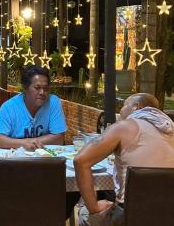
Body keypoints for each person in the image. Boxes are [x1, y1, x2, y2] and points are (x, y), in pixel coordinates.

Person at [74, 93, 174, 226]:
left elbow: (80, 160)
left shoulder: (124, 126)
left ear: (136, 107)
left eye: (123, 105)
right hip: (168, 215)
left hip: (131, 215)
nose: (120, 110)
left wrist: (94, 208)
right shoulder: (170, 129)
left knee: (86, 213)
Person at [0, 65, 67, 150]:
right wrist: (23, 144)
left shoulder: (53, 102)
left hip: (44, 158)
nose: (42, 92)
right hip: (16, 158)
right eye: (37, 88)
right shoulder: (9, 107)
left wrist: (29, 142)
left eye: (46, 88)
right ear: (25, 88)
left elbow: (59, 138)